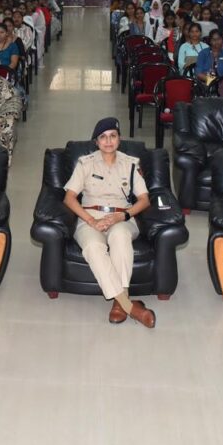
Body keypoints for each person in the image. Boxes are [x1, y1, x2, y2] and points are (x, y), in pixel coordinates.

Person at [63, 118, 156, 328]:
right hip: (90, 218)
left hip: (121, 217)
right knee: (94, 247)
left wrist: (122, 216)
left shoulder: (131, 164)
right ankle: (128, 305)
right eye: (103, 137)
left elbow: (144, 200)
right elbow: (69, 198)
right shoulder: (85, 164)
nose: (108, 141)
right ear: (96, 142)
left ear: (119, 139)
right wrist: (90, 221)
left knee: (120, 237)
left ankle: (118, 302)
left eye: (112, 136)